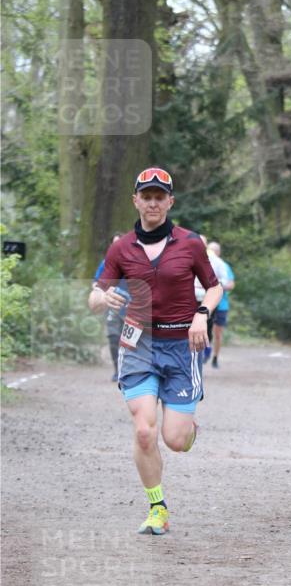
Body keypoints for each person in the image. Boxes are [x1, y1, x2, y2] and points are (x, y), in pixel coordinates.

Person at [88, 167, 222, 535]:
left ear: (170, 202)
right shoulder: (121, 248)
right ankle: (157, 507)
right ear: (135, 200)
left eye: (159, 197)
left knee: (174, 440)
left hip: (182, 345)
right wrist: (102, 299)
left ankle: (188, 429)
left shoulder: (189, 243)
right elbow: (95, 296)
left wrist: (202, 315)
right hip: (139, 344)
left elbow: (214, 287)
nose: (152, 203)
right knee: (144, 431)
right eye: (146, 196)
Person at [91, 234, 126, 382]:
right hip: (112, 307)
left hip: (132, 307)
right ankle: (117, 370)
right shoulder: (106, 263)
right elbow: (96, 283)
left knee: (130, 341)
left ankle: (129, 370)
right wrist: (100, 293)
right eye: (114, 244)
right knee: (113, 337)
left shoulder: (136, 261)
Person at [207, 241, 234, 368]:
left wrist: (218, 285)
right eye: (209, 250)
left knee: (217, 333)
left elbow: (231, 284)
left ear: (218, 252)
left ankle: (215, 357)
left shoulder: (224, 266)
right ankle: (204, 352)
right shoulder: (203, 263)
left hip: (221, 304)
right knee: (204, 330)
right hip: (207, 302)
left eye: (214, 251)